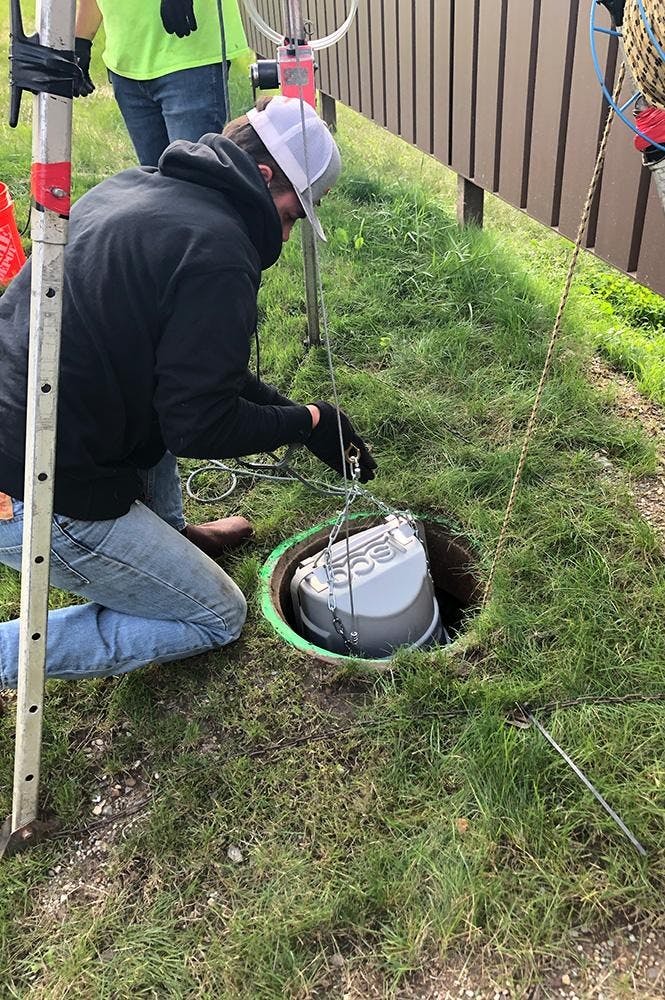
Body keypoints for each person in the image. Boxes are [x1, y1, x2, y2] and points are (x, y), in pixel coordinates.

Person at [0, 96, 376, 689]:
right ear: (262, 176)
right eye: (294, 213)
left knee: (157, 402)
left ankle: (171, 543)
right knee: (217, 616)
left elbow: (195, 376)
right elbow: (198, 425)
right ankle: (7, 652)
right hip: (36, 484)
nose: (287, 229)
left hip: (46, 417)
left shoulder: (141, 183)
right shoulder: (219, 254)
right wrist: (306, 422)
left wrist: (302, 415)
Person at [74, 0, 249, 165]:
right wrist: (81, 41)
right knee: (157, 187)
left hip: (191, 58)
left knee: (194, 184)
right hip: (127, 61)